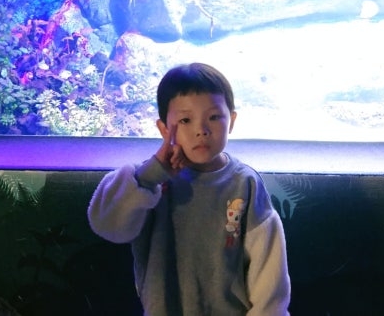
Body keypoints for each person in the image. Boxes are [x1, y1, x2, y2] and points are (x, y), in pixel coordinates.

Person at [88, 63, 291, 315]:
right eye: (185, 120)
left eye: (214, 117)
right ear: (164, 128)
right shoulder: (150, 181)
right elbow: (107, 225)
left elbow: (268, 269)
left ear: (231, 121)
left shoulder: (245, 183)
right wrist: (150, 175)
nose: (201, 131)